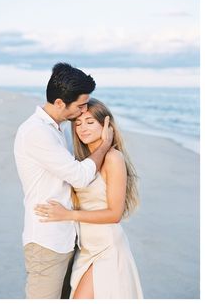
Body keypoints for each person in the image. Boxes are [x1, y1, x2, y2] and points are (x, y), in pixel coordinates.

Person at [14, 64, 113, 299]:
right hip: (47, 242)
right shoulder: (37, 132)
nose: (83, 111)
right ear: (60, 103)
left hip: (66, 237)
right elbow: (79, 177)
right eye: (80, 106)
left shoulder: (56, 129)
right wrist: (104, 146)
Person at [34, 98, 144, 299]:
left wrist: (68, 215)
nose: (83, 128)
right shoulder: (83, 164)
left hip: (107, 247)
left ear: (106, 125)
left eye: (90, 122)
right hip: (86, 249)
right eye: (78, 123)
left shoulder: (113, 158)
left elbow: (115, 214)